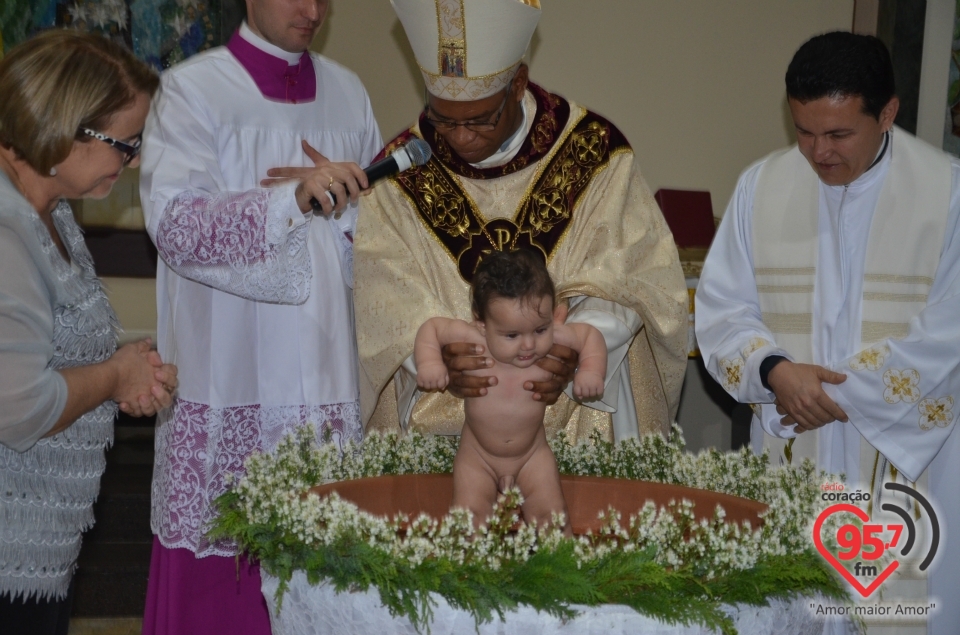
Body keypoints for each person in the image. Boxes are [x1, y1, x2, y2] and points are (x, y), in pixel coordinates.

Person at [695, 32, 960, 635]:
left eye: (839, 134)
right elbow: (720, 311)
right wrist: (774, 372)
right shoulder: (761, 188)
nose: (817, 153)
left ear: (887, 112)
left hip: (911, 461)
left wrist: (834, 394)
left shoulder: (947, 194)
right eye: (804, 131)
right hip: (795, 450)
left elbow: (950, 326)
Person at [138, 0, 382, 631]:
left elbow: (382, 233)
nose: (313, 10)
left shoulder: (351, 93)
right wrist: (288, 202)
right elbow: (176, 227)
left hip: (327, 376)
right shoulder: (192, 90)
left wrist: (348, 211)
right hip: (228, 377)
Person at [356, 0, 687, 445]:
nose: (461, 137)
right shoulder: (400, 173)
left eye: (479, 119)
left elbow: (637, 274)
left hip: (569, 399)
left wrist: (577, 346)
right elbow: (385, 298)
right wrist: (434, 355)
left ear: (518, 84)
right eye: (444, 120)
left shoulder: (593, 151)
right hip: (451, 412)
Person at [0, 30, 177, 635]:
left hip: (37, 549)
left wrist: (132, 373)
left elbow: (63, 352)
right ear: (64, 124)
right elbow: (20, 408)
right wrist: (113, 378)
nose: (131, 161)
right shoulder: (5, 229)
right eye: (124, 144)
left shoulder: (48, 211)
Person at [415, 250, 605, 533]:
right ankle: (472, 573)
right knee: (469, 519)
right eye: (512, 336)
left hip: (532, 455)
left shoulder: (554, 337)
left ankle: (559, 571)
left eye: (540, 330)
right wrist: (430, 363)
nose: (528, 345)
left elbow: (590, 337)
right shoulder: (471, 337)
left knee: (552, 518)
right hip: (477, 456)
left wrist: (591, 370)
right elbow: (431, 329)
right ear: (482, 324)